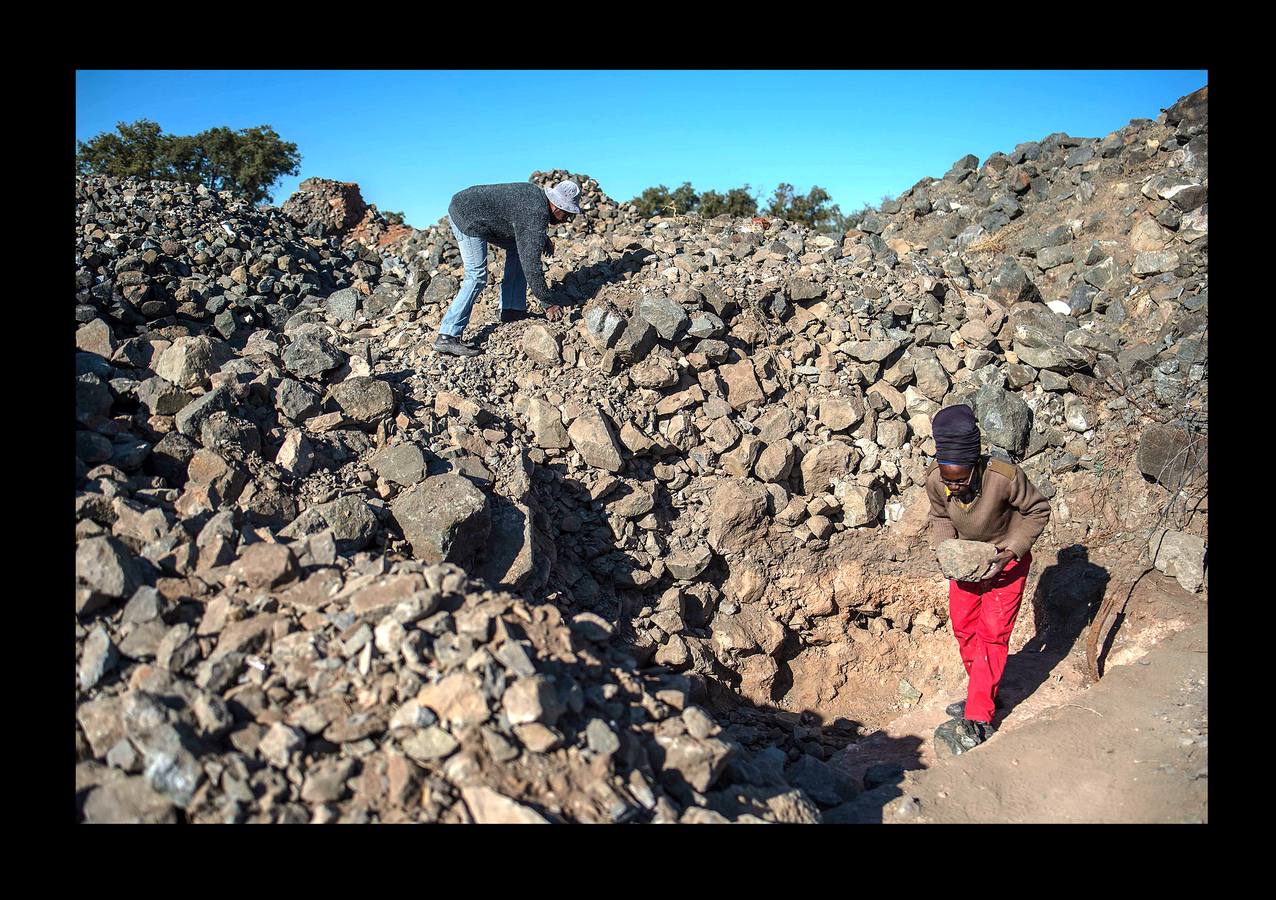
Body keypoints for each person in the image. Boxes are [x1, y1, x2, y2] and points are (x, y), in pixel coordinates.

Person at [926, 403, 1051, 754]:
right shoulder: (936, 479)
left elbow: (1037, 510)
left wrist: (1010, 551)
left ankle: (979, 714)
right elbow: (939, 517)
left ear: (974, 466)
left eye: (960, 480)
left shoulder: (1003, 477)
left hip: (1004, 566)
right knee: (964, 627)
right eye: (947, 480)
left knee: (992, 635)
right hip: (965, 567)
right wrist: (946, 551)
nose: (953, 488)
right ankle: (980, 693)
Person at [432, 179, 579, 357]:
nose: (569, 219)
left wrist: (541, 237)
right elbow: (531, 264)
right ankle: (447, 336)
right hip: (466, 215)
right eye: (568, 214)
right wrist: (547, 302)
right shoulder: (536, 210)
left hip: (475, 211)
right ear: (557, 207)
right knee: (476, 275)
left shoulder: (536, 199)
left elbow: (524, 227)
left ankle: (512, 309)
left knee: (518, 248)